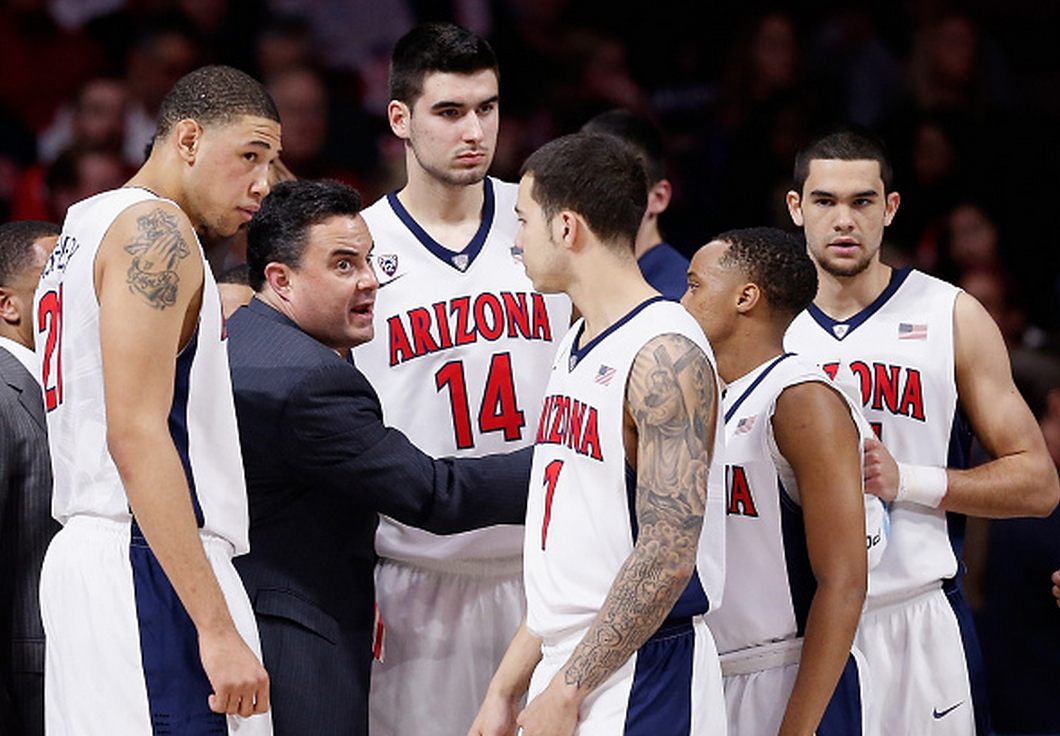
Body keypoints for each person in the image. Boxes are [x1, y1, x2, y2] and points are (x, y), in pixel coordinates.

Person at [226, 178, 533, 736]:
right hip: (296, 635)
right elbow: (435, 497)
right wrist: (566, 463)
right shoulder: (308, 380)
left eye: (368, 260)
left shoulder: (244, 337)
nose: (370, 280)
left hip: (250, 610)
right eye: (344, 265)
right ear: (281, 279)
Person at [783, 124, 1060, 736]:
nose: (844, 220)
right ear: (797, 208)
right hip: (794, 625)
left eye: (862, 201)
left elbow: (1039, 484)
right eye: (825, 202)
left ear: (890, 208)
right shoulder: (761, 327)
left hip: (918, 617)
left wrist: (907, 480)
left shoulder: (951, 313)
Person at [32, 64, 280, 736]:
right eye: (250, 155)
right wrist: (217, 628)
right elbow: (137, 432)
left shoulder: (83, 224)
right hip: (146, 562)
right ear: (189, 140)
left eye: (272, 161)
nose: (262, 182)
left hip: (94, 557)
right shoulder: (158, 234)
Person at [352, 23, 571, 736]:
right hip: (419, 577)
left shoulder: (551, 222)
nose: (473, 130)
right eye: (449, 112)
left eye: (487, 107)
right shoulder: (353, 246)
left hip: (553, 569)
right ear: (401, 120)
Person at [469, 132, 726, 736]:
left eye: (524, 220)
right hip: (572, 660)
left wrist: (569, 688)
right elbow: (573, 550)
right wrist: (506, 687)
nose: (515, 240)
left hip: (644, 669)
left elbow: (666, 555)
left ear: (566, 227)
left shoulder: (666, 352)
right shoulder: (574, 343)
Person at [682, 226, 877, 736]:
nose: (682, 302)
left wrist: (798, 728)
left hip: (785, 672)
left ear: (746, 297)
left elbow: (846, 582)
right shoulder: (714, 398)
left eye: (695, 285)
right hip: (712, 668)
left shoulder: (800, 399)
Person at [0, 220, 60, 736]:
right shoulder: (1, 394)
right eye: (55, 281)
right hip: (22, 677)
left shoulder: (68, 387)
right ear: (8, 306)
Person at [580, 108, 689, 301]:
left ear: (658, 198)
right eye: (581, 187)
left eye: (611, 188)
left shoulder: (680, 298)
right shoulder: (569, 292)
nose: (592, 203)